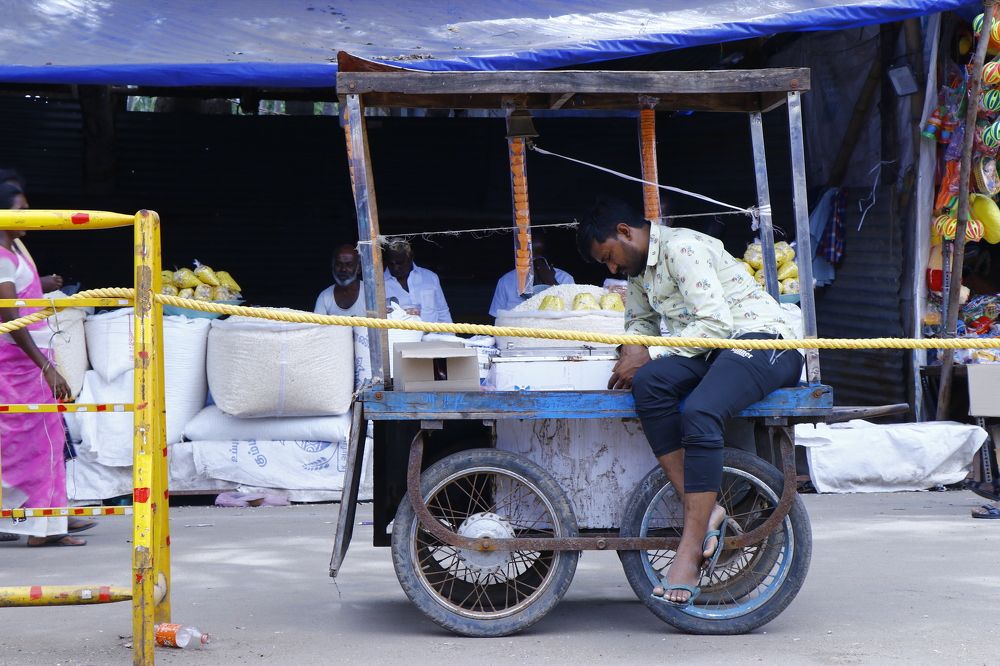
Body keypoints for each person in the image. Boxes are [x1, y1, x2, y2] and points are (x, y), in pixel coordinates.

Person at [576, 198, 802, 605]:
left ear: (625, 232)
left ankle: (690, 546)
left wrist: (649, 353)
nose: (611, 269)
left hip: (761, 341)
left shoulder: (682, 248)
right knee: (648, 385)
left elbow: (715, 322)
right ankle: (706, 510)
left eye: (609, 256)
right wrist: (632, 349)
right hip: (712, 351)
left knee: (701, 411)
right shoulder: (639, 271)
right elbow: (639, 322)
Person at [0, 181, 90, 546]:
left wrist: (42, 283)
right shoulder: (1, 257)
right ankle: (41, 527)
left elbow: (18, 293)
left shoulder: (15, 251)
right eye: (21, 210)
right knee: (30, 448)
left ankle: (50, 520)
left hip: (28, 365)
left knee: (46, 442)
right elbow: (11, 318)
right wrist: (47, 368)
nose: (30, 216)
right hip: (17, 367)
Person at [488, 234, 575, 318]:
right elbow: (497, 317)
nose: (534, 261)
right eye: (530, 255)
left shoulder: (565, 279)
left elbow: (571, 314)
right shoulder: (506, 281)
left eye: (539, 256)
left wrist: (552, 283)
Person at [382, 239, 452, 323]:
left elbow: (442, 311)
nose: (395, 268)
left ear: (411, 257)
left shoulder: (430, 277)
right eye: (391, 263)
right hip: (397, 331)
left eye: (400, 263)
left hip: (430, 330)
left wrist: (449, 332)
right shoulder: (379, 283)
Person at [315, 244, 366, 316]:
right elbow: (317, 323)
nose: (343, 269)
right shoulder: (324, 297)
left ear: (358, 268)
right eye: (339, 264)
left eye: (349, 265)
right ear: (332, 266)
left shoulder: (369, 294)